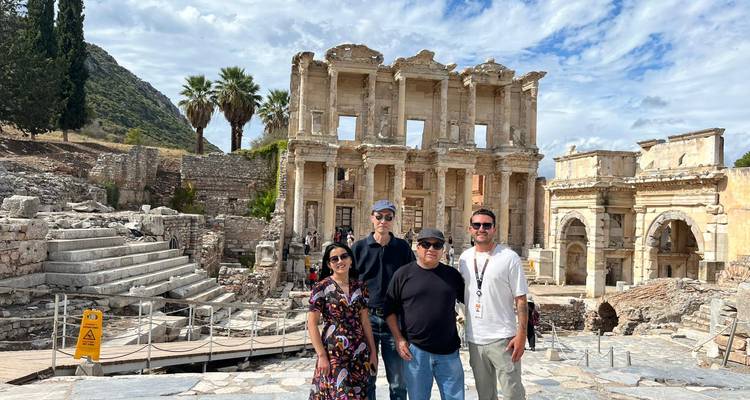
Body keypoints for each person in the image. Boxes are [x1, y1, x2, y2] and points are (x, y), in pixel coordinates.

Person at [384, 228, 465, 400]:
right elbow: (389, 311)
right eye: (426, 244)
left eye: (437, 245)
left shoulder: (452, 275)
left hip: (449, 352)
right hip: (416, 352)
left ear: (443, 249)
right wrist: (399, 339)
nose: (431, 249)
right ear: (417, 247)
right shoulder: (403, 274)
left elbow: (472, 302)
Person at [459, 208, 529, 400]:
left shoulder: (509, 258)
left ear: (494, 229)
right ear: (470, 229)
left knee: (513, 393)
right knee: (485, 395)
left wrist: (521, 335)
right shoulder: (464, 258)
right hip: (475, 339)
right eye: (477, 225)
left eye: (486, 225)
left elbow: (521, 299)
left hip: (503, 338)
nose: (481, 229)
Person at [352, 199, 415, 400]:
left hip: (393, 322)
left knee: (398, 382)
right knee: (367, 379)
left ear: (393, 220)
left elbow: (412, 280)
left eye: (388, 217)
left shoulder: (402, 248)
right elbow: (349, 284)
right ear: (372, 218)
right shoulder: (359, 248)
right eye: (379, 216)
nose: (383, 221)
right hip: (366, 320)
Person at [308, 243, 378, 399]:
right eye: (334, 259)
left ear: (351, 260)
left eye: (344, 256)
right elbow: (312, 324)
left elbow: (365, 322)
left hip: (359, 352)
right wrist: (321, 355)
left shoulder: (360, 287)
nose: (340, 261)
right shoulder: (321, 287)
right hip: (334, 354)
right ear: (329, 264)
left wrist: (373, 352)